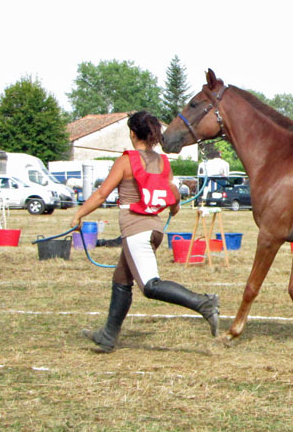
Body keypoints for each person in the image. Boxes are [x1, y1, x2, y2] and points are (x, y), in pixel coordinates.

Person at [71, 111, 219, 353]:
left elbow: (101, 194)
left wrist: (78, 215)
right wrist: (174, 207)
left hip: (136, 229)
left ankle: (204, 303)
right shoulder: (163, 162)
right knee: (121, 279)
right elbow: (174, 198)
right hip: (154, 229)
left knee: (150, 286)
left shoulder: (126, 161)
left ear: (132, 133)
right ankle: (107, 336)